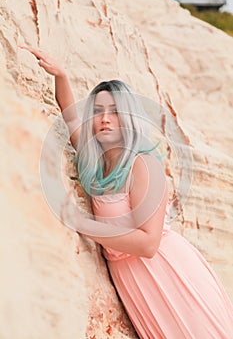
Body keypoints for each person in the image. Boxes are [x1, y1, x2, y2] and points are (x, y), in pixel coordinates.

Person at [20, 46, 233, 339]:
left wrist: (81, 223)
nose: (105, 119)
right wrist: (61, 74)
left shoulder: (144, 166)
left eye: (115, 112)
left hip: (170, 275)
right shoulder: (95, 162)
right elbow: (69, 116)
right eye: (97, 111)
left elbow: (148, 243)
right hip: (135, 283)